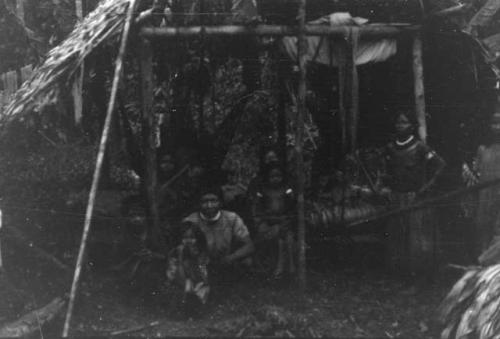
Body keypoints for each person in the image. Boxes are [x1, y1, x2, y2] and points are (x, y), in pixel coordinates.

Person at [383, 110, 445, 275]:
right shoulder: (390, 148)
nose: (400, 126)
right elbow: (387, 171)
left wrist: (428, 186)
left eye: (404, 122)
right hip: (397, 198)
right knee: (398, 236)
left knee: (415, 239)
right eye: (398, 122)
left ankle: (417, 276)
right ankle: (401, 274)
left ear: (411, 126)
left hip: (414, 199)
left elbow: (440, 165)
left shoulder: (420, 147)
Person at [181, 188, 255, 285]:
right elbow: (184, 249)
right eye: (205, 202)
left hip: (226, 260)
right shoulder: (191, 220)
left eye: (213, 201)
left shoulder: (232, 218)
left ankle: (235, 285)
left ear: (220, 202)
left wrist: (231, 258)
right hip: (202, 263)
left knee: (247, 261)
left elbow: (249, 246)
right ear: (199, 203)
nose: (209, 205)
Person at [252, 165, 295, 278]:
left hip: (283, 220)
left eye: (278, 176)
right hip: (267, 221)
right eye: (272, 176)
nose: (275, 179)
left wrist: (286, 219)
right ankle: (273, 267)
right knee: (273, 238)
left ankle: (289, 267)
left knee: (286, 239)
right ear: (267, 177)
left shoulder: (286, 189)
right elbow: (257, 207)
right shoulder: (263, 190)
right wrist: (262, 220)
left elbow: (292, 206)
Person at [475, 112, 500, 259]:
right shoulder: (483, 150)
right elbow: (478, 172)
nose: (497, 127)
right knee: (484, 227)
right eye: (494, 123)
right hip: (486, 196)